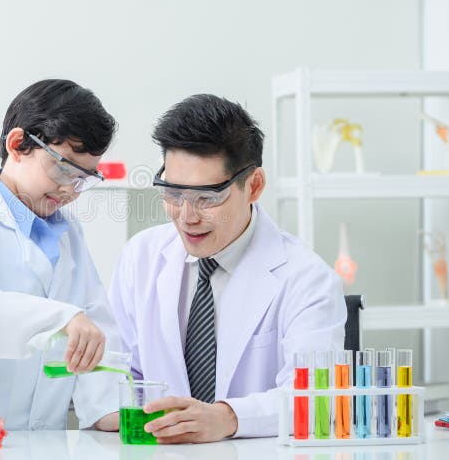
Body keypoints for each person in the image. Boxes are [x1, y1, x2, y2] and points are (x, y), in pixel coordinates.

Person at [108, 95, 346, 442]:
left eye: (207, 198)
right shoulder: (140, 256)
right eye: (173, 193)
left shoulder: (308, 280)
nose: (186, 216)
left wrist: (230, 418)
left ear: (254, 186)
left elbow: (316, 400)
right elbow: (117, 372)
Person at [0, 79, 121, 431]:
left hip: (44, 438)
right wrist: (60, 319)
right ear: (18, 145)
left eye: (83, 179)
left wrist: (112, 411)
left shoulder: (70, 235)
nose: (70, 190)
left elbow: (96, 324)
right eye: (64, 169)